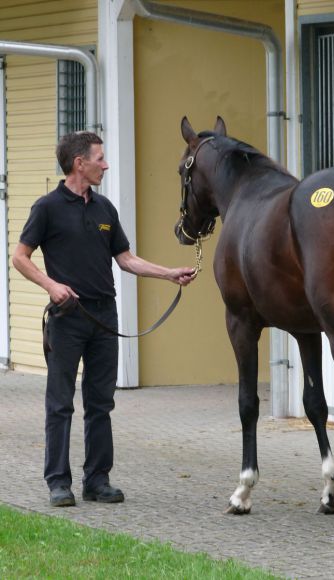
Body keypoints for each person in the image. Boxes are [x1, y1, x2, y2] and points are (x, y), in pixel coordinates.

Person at [13, 131, 195, 507]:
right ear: (79, 163)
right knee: (60, 402)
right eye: (100, 158)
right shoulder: (47, 207)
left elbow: (126, 259)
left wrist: (168, 273)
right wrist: (51, 285)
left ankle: (97, 480)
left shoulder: (105, 209)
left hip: (103, 318)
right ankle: (58, 483)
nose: (106, 165)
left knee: (101, 403)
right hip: (67, 316)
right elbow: (20, 257)